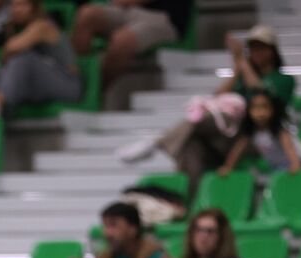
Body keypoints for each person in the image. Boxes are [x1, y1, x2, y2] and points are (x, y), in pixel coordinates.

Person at [118, 25, 291, 192]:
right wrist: (238, 68)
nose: (256, 53)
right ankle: (189, 203)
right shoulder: (242, 75)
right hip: (225, 135)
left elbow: (261, 93)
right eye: (252, 48)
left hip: (253, 138)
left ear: (272, 50)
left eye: (261, 48)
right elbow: (217, 95)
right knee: (191, 146)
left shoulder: (283, 80)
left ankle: (158, 143)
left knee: (200, 121)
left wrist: (241, 61)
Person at [0, 0, 81, 118]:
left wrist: (9, 37)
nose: (16, 10)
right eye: (13, 5)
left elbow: (10, 49)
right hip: (36, 87)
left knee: (23, 60)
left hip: (66, 83)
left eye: (22, 5)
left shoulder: (43, 25)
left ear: (34, 8)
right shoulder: (17, 29)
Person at [70, 0, 189, 86]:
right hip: (124, 9)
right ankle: (74, 80)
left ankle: (93, 91)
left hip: (162, 17)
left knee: (122, 41)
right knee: (87, 15)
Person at [216, 91, 301, 177]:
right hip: (276, 167)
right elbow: (237, 150)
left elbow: (290, 149)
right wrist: (228, 167)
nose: (260, 112)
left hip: (295, 164)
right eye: (254, 108)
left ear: (273, 109)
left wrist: (296, 165)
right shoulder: (250, 132)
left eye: (265, 107)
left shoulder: (281, 131)